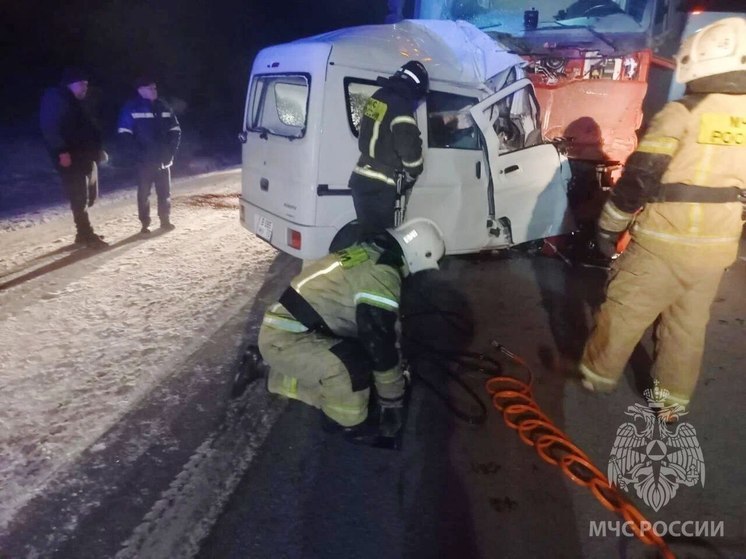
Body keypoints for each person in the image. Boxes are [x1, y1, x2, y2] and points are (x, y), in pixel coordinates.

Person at [579, 17, 746, 408]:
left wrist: (609, 228)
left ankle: (596, 375)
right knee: (687, 326)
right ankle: (670, 403)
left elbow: (641, 176)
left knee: (624, 311)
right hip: (717, 249)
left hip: (663, 244)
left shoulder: (682, 113)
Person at [256, 217, 445, 447]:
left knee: (362, 371)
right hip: (286, 338)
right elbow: (380, 344)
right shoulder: (382, 273)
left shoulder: (371, 252)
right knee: (352, 368)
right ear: (419, 255)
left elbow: (376, 329)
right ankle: (347, 422)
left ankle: (267, 373)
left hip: (291, 330)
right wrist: (392, 400)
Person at [349, 60, 428, 241]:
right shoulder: (401, 106)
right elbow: (409, 148)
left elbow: (376, 132)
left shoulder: (379, 96)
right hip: (381, 186)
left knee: (368, 238)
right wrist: (413, 172)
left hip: (361, 178)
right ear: (414, 87)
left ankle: (366, 268)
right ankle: (381, 269)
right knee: (383, 241)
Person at [40, 67, 108, 248]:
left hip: (87, 155)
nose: (84, 87)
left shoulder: (81, 102)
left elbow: (91, 128)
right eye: (80, 84)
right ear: (69, 85)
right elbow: (50, 127)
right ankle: (85, 233)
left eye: (86, 83)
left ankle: (82, 232)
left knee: (90, 195)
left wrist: (98, 149)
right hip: (70, 156)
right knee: (79, 196)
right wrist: (61, 151)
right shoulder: (56, 99)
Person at [117, 76, 181, 233]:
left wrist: (170, 153)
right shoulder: (131, 107)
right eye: (150, 88)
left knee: (165, 192)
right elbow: (124, 134)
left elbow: (175, 131)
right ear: (140, 90)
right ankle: (145, 225)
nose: (154, 91)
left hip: (163, 159)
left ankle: (165, 221)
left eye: (155, 88)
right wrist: (138, 155)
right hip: (144, 161)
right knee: (144, 193)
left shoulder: (164, 106)